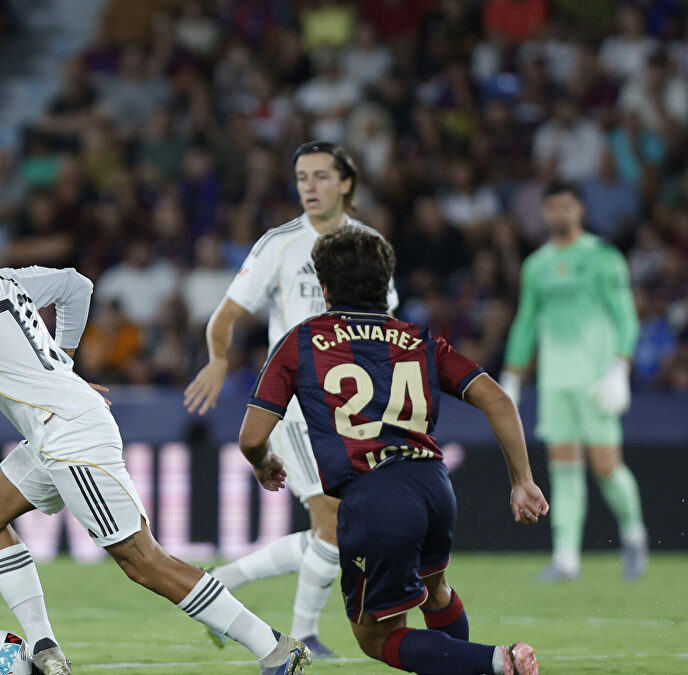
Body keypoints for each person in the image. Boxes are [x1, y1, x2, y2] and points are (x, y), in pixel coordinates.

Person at [0, 197, 310, 675]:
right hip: (56, 429)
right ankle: (45, 648)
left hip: (68, 434)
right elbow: (76, 285)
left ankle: (274, 647)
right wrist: (63, 365)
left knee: (143, 561)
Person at [239, 226, 548, 675]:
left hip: (374, 497)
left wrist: (264, 463)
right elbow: (498, 400)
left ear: (325, 289)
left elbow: (252, 437)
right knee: (435, 591)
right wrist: (522, 480)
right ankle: (474, 666)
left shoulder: (302, 341)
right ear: (386, 287)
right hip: (434, 485)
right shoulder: (420, 340)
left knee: (376, 637)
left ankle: (499, 662)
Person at [183, 141, 397, 656]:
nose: (309, 186)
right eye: (302, 177)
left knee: (342, 527)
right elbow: (227, 315)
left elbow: (384, 323)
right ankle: (303, 635)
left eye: (321, 176)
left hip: (352, 407)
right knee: (334, 522)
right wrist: (218, 359)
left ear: (346, 183)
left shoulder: (369, 244)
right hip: (298, 405)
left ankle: (223, 584)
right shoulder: (278, 245)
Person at [499, 181, 646, 581]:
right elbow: (526, 322)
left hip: (596, 379)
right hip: (555, 382)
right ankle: (566, 558)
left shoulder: (602, 257)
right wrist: (512, 373)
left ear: (580, 209)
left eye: (566, 205)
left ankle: (634, 535)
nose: (559, 213)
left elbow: (625, 315)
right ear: (545, 211)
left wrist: (620, 368)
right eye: (552, 206)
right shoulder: (537, 265)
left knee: (606, 466)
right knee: (563, 467)